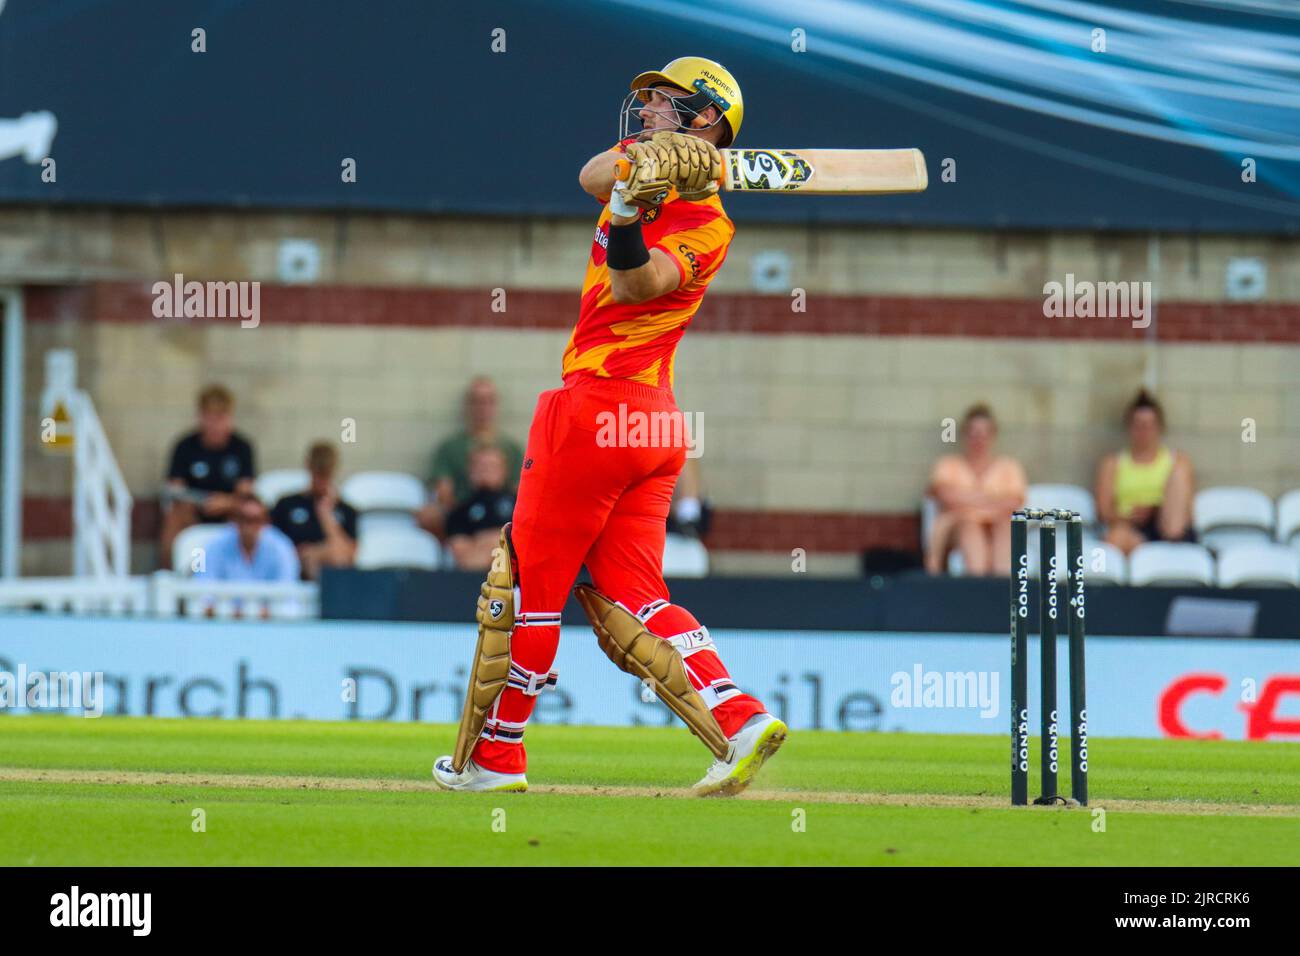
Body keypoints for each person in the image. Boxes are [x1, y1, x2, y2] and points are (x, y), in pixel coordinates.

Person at [434, 57, 786, 796]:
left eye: (664, 102)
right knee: (635, 595)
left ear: (706, 122)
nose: (648, 109)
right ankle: (739, 714)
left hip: (597, 410)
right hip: (651, 425)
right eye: (648, 100)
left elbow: (638, 283)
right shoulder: (637, 172)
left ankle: (497, 759)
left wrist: (630, 214)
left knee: (526, 587)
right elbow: (592, 175)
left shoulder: (708, 222)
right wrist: (640, 173)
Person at [159, 385, 256, 569]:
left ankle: (239, 573)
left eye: (220, 418)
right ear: (201, 417)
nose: (215, 425)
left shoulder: (241, 448)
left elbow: (246, 495)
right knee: (174, 518)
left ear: (230, 418)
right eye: (210, 418)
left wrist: (226, 502)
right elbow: (175, 490)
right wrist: (200, 502)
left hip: (228, 515)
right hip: (194, 514)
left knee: (247, 515)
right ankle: (178, 578)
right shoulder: (185, 446)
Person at [925, 404, 1027, 576]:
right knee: (970, 529)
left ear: (993, 435)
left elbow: (1014, 502)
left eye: (984, 433)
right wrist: (991, 499)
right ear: (964, 434)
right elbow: (944, 495)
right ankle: (978, 584)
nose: (979, 439)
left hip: (999, 524)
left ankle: (1001, 588)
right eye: (974, 433)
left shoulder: (1009, 467)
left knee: (1005, 529)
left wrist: (967, 499)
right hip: (959, 527)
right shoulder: (948, 465)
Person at [418, 377, 524, 536]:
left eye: (489, 401)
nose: (483, 408)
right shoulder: (450, 447)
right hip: (463, 509)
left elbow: (521, 493)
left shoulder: (512, 448)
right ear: (468, 406)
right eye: (478, 402)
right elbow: (443, 492)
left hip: (501, 512)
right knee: (428, 514)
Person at [1096, 389, 1195, 554]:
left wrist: (1154, 510)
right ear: (1129, 427)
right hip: (1131, 528)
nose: (1144, 432)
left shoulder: (1176, 461)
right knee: (1114, 539)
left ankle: (1172, 544)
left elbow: (1188, 511)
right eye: (1139, 425)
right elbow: (1104, 511)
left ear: (1159, 428)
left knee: (1180, 472)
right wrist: (1129, 517)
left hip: (1167, 522)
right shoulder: (1113, 463)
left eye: (1149, 425)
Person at [193, 493, 300, 618]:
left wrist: (250, 614)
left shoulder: (284, 548)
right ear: (234, 521)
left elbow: (287, 596)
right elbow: (200, 592)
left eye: (255, 520)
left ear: (266, 522)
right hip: (222, 624)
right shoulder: (210, 546)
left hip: (269, 627)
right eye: (244, 519)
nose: (249, 526)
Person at [270, 442, 358, 580]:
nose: (322, 480)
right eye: (318, 473)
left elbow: (349, 556)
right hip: (295, 569)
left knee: (331, 555)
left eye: (326, 474)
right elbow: (271, 543)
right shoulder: (287, 504)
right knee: (311, 558)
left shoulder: (347, 511)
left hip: (333, 567)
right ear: (309, 467)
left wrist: (326, 516)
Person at [444, 445, 517, 571]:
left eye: (492, 466)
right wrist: (498, 540)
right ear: (471, 471)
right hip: (478, 576)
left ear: (504, 471)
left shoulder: (518, 505)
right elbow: (463, 555)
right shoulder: (460, 511)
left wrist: (484, 541)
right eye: (481, 466)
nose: (486, 471)